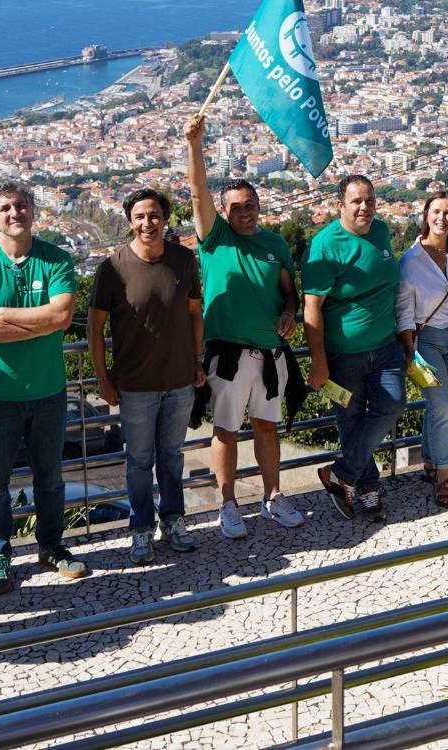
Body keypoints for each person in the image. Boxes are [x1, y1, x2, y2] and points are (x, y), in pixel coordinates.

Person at [0, 181, 86, 594]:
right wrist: (39, 321)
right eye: (5, 208)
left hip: (48, 390)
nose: (15, 213)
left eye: (21, 206)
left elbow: (63, 317)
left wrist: (5, 315)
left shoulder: (56, 259)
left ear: (33, 212)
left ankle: (51, 546)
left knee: (50, 477)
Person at [183, 114, 304, 538]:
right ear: (225, 212)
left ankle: (273, 496)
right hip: (230, 355)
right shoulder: (215, 240)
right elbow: (198, 195)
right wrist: (195, 147)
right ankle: (228, 504)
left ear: (259, 206)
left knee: (267, 427)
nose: (244, 213)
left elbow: (290, 292)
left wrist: (290, 312)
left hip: (271, 354)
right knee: (227, 431)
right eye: (235, 208)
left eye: (250, 205)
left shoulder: (274, 244)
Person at [89, 189, 205, 563]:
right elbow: (95, 328)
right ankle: (141, 529)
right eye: (140, 216)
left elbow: (194, 314)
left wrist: (197, 361)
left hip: (179, 381)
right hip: (135, 384)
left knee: (171, 457)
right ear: (130, 221)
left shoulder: (183, 260)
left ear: (165, 218)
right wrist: (103, 377)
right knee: (138, 461)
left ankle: (173, 521)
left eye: (154, 215)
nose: (147, 223)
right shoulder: (113, 267)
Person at [305, 175, 406, 521]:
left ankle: (342, 472)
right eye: (356, 201)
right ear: (341, 205)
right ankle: (365, 486)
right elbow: (312, 307)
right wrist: (318, 361)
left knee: (392, 404)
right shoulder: (324, 244)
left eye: (370, 200)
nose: (365, 207)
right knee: (350, 421)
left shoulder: (380, 232)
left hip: (385, 344)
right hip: (342, 353)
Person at [396, 191, 448, 508]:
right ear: (426, 216)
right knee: (443, 407)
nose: (442, 218)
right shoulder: (410, 261)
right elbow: (404, 312)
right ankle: (444, 477)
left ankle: (431, 462)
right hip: (426, 340)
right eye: (437, 212)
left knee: (443, 404)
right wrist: (409, 352)